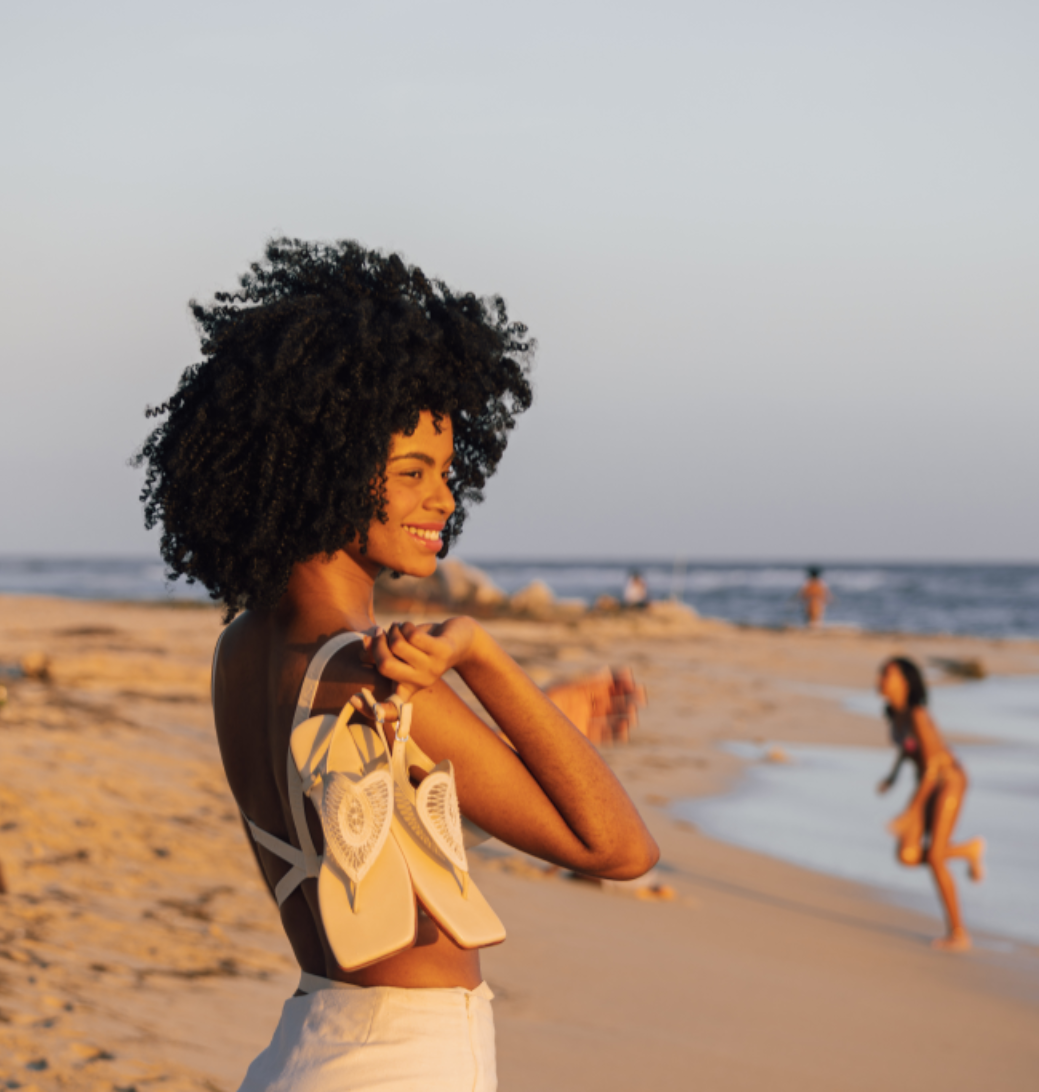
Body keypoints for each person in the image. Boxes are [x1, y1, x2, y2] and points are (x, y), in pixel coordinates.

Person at [136, 239, 658, 1091]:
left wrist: (529, 723)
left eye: (447, 472)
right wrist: (485, 659)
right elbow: (620, 849)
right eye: (412, 471)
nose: (445, 499)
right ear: (327, 468)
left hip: (310, 1041)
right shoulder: (379, 672)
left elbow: (365, 833)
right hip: (405, 1063)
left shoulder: (245, 648)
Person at [876, 656, 985, 951]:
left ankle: (959, 934)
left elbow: (934, 767)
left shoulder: (918, 715)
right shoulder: (894, 716)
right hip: (927, 781)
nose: (880, 679)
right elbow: (907, 750)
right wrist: (892, 777)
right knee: (908, 855)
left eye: (887, 674)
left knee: (935, 858)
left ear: (904, 682)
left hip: (948, 781)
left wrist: (911, 812)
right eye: (881, 674)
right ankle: (967, 850)